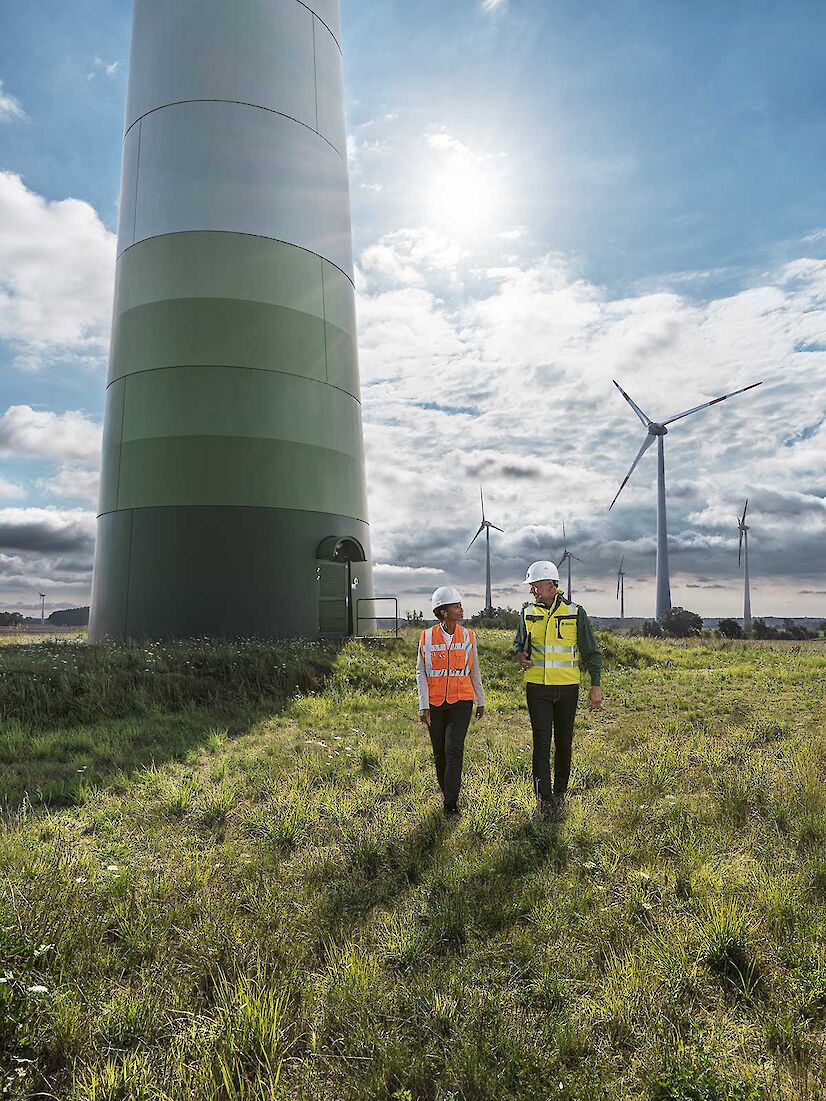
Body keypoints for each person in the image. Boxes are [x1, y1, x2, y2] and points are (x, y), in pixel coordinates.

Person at [513, 561, 602, 818]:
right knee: (541, 743)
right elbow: (518, 644)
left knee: (564, 743)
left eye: (535, 585)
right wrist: (521, 656)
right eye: (531, 586)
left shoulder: (576, 613)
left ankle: (560, 791)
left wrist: (595, 685)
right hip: (537, 688)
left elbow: (591, 651)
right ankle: (544, 798)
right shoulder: (527, 613)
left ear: (551, 585)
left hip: (567, 688)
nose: (532, 590)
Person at [417, 586, 485, 816]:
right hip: (435, 705)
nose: (461, 609)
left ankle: (450, 804)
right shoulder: (426, 637)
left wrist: (480, 699)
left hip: (461, 702)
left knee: (453, 749)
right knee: (440, 753)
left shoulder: (468, 636)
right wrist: (423, 705)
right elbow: (421, 673)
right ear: (444, 612)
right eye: (456, 606)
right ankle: (447, 793)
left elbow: (474, 669)